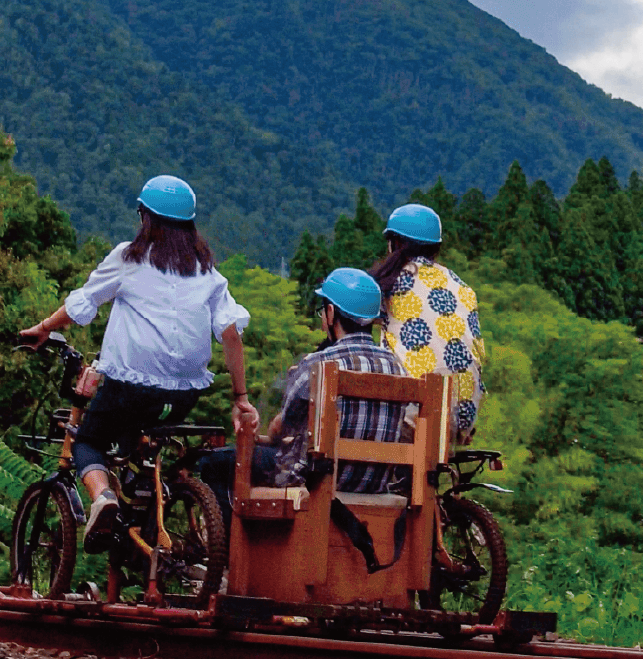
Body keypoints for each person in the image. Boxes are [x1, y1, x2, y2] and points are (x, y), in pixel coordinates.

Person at [20, 174, 256, 541]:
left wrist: (45, 328)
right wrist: (240, 398)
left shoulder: (127, 259)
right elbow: (230, 332)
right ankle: (140, 514)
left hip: (130, 389)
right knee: (139, 443)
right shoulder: (207, 272)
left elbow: (85, 301)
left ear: (145, 218)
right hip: (182, 395)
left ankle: (103, 498)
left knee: (89, 441)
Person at [201, 267, 408, 522]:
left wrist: (267, 432)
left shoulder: (318, 364)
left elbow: (283, 426)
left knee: (215, 463)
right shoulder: (398, 367)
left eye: (323, 311)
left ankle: (231, 554)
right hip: (375, 482)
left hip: (319, 480)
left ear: (331, 313)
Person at [369, 203, 485, 443]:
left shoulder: (388, 284)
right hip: (459, 420)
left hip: (409, 419)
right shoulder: (463, 288)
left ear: (396, 243)